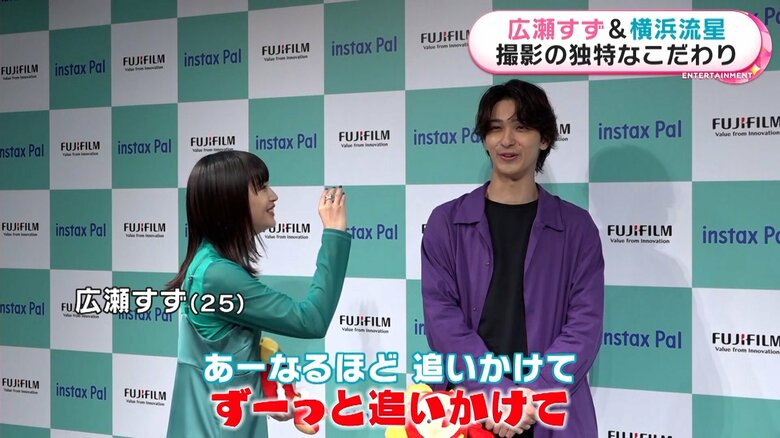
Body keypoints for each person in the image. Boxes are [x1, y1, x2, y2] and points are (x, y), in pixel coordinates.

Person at [421, 80, 604, 438]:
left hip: (547, 410)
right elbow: (442, 321)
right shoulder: (446, 222)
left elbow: (585, 326)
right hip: (470, 410)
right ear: (485, 139)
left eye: (521, 127)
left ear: (545, 138)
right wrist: (496, 393)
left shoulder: (577, 228)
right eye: (495, 128)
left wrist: (530, 397)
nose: (507, 140)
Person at [166, 150, 351, 437]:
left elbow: (219, 357)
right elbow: (311, 320)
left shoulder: (206, 265)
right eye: (262, 187)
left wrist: (264, 394)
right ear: (230, 200)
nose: (273, 196)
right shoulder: (217, 275)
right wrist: (335, 234)